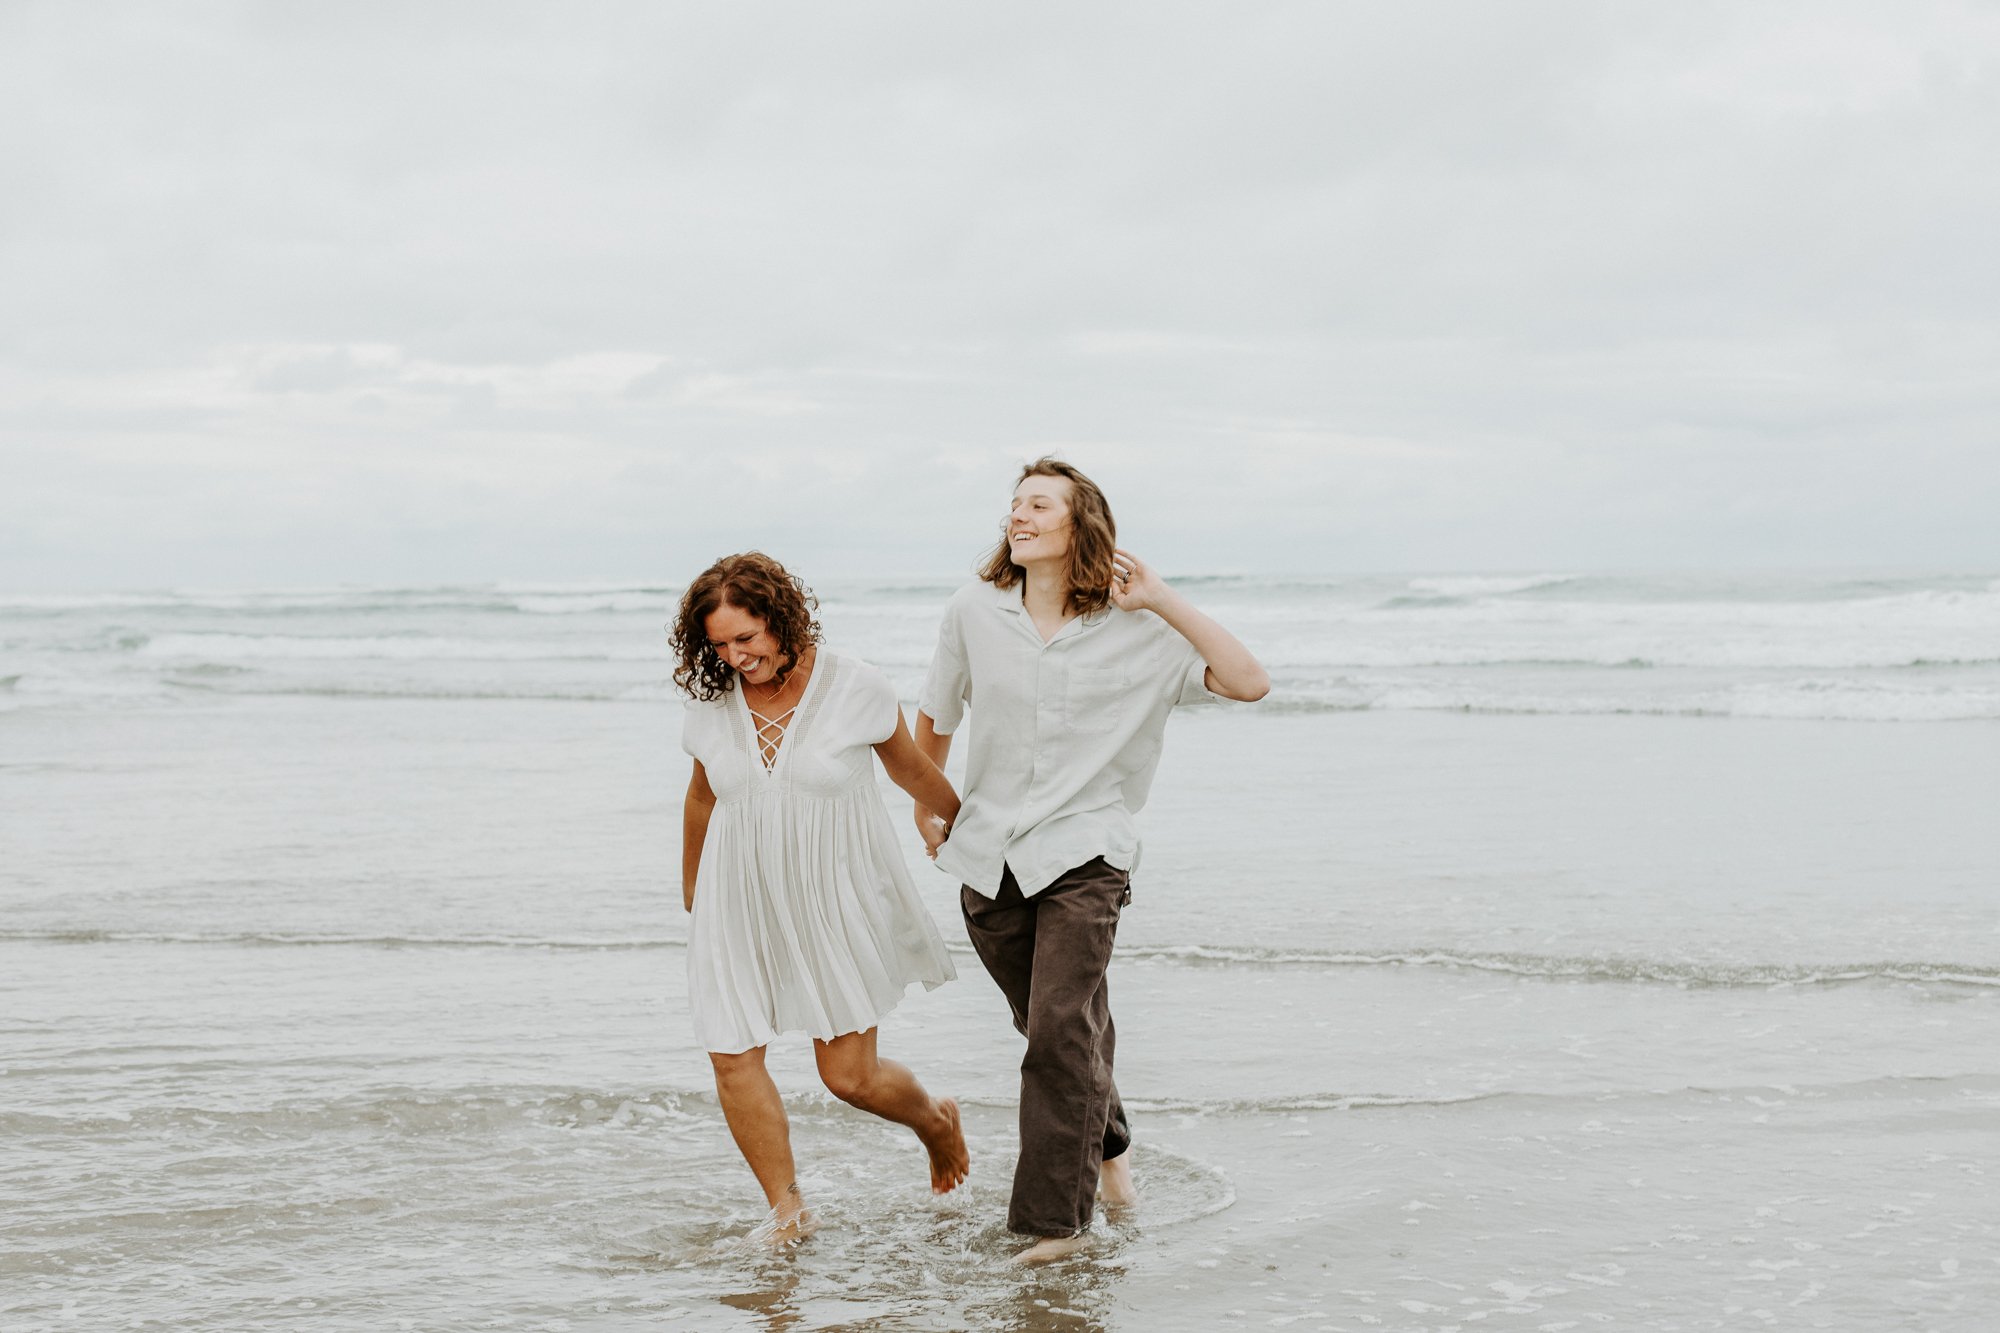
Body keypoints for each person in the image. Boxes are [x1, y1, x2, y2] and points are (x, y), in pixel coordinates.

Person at [912, 457, 1270, 1264]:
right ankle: (1112, 1156)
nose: (1018, 514)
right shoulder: (973, 609)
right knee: (1054, 1032)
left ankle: (1054, 1226)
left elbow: (1249, 681)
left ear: (1083, 527)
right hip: (989, 856)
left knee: (1060, 1034)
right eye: (1014, 503)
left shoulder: (1144, 629)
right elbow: (935, 710)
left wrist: (1162, 597)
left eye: (1040, 504)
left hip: (1087, 853)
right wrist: (927, 802)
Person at [673, 551, 970, 1245]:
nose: (735, 656)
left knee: (848, 1076)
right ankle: (787, 1208)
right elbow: (701, 796)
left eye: (746, 638)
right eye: (718, 644)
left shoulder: (854, 685)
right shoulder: (712, 702)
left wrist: (962, 826)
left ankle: (933, 1119)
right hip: (737, 896)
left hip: (831, 896)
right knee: (730, 1050)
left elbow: (912, 771)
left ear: (780, 616)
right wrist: (693, 888)